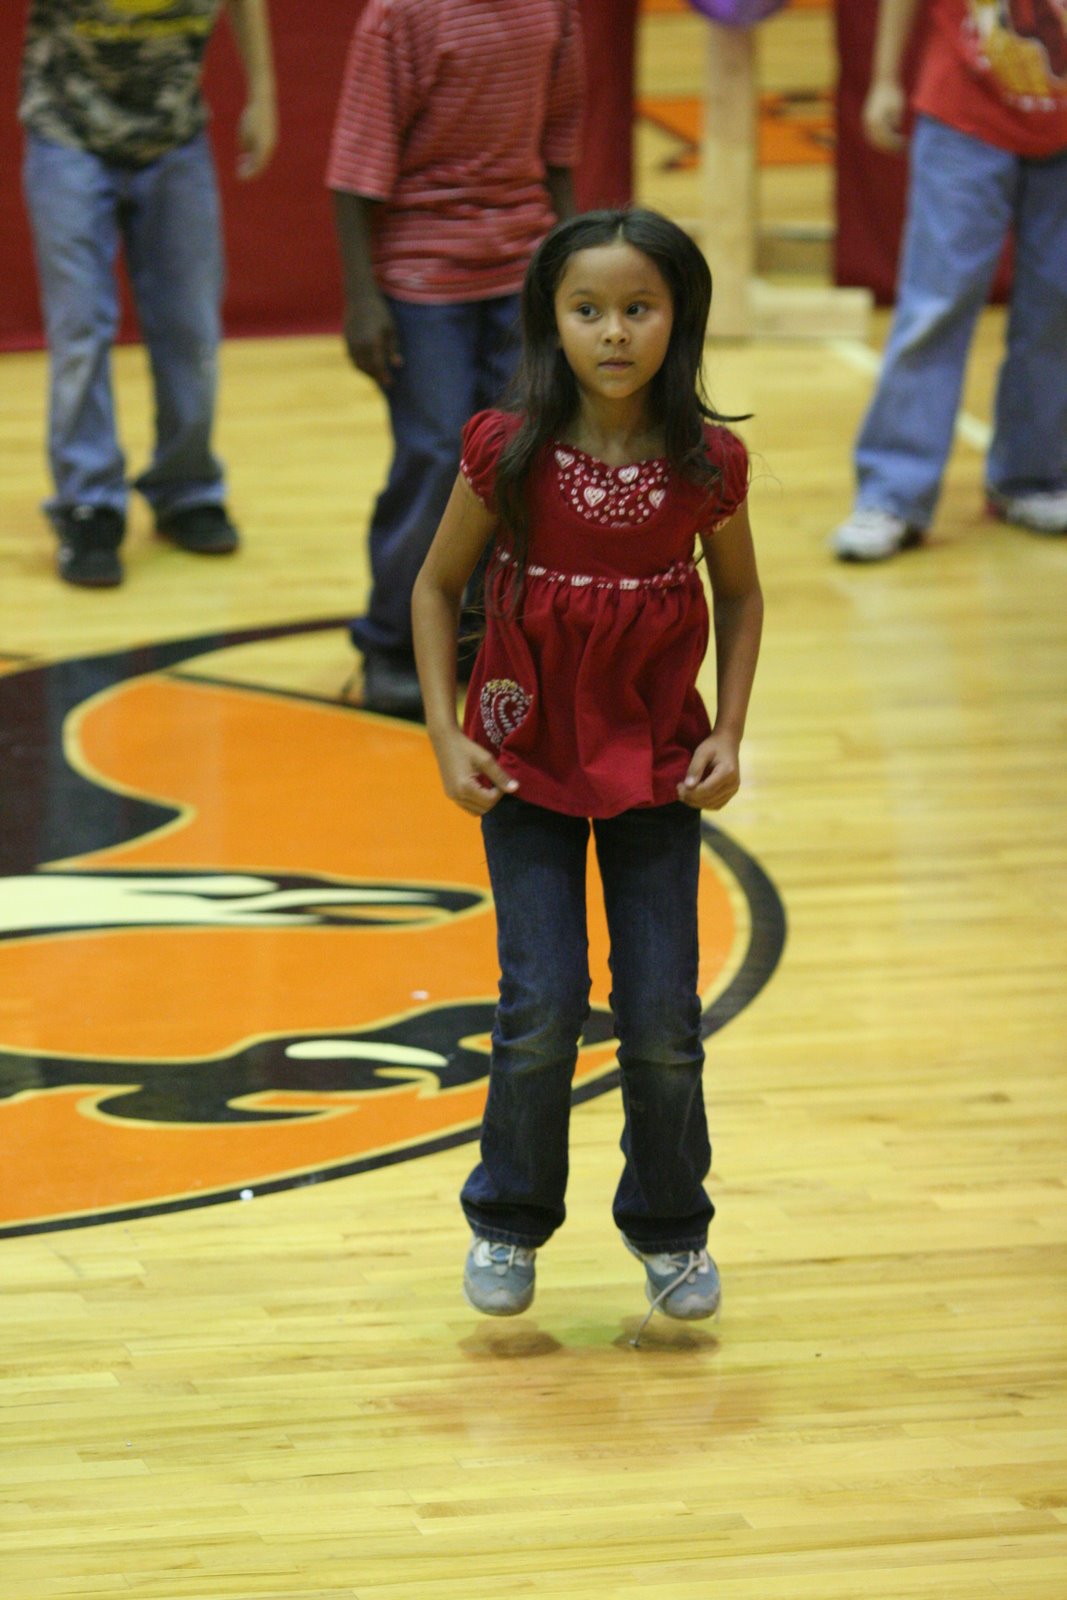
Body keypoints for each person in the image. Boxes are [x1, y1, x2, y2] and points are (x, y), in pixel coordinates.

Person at [411, 209, 764, 1339]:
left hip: (655, 761)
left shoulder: (706, 465)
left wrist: (729, 732)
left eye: (638, 308)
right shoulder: (507, 452)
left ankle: (669, 1228)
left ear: (678, 319)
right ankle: (508, 1216)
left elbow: (741, 595)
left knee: (660, 1014)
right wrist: (444, 731)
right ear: (550, 321)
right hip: (526, 760)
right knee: (542, 1003)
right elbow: (434, 588)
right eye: (587, 309)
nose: (613, 332)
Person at [327, 0, 583, 720]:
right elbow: (353, 170)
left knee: (524, 456)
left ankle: (481, 631)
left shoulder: (552, 10)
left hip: (525, 270)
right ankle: (391, 643)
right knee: (437, 454)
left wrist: (578, 276)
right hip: (422, 278)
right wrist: (362, 299)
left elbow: (559, 147)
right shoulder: (400, 16)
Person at [19, 0, 277, 590]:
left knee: (191, 328)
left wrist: (263, 93)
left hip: (174, 138)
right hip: (68, 135)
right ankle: (89, 504)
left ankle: (186, 488)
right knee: (80, 327)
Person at [832, 0, 1067, 561]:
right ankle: (892, 494)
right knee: (936, 303)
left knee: (1057, 306)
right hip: (963, 116)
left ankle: (1031, 478)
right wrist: (885, 80)